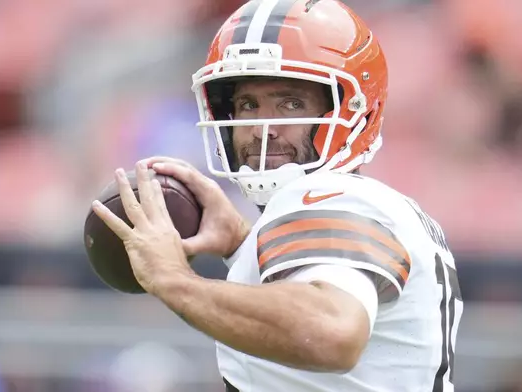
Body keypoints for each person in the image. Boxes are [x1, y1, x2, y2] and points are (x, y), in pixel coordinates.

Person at [91, 0, 463, 391]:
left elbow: (331, 332)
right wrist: (243, 243)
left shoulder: (328, 196)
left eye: (290, 103)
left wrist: (175, 280)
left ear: (355, 110)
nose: (260, 128)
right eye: (248, 104)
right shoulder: (362, 205)